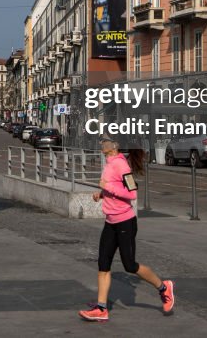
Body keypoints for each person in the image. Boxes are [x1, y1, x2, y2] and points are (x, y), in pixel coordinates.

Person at [79, 138, 174, 323]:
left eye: (104, 140)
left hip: (125, 223)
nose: (101, 142)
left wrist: (107, 187)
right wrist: (102, 194)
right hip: (110, 222)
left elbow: (132, 193)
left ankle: (164, 287)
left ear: (114, 146)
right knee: (103, 264)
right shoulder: (110, 163)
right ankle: (101, 308)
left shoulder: (121, 165)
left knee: (129, 265)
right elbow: (115, 188)